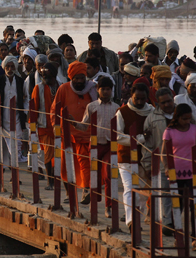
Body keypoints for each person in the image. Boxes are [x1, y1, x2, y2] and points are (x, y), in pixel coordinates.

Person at [70, 76, 119, 216]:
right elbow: (84, 126)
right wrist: (74, 123)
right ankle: (94, 201)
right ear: (97, 90)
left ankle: (108, 206)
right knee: (95, 175)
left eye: (108, 89)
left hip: (110, 146)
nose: (105, 92)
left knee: (109, 173)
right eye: (102, 89)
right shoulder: (92, 106)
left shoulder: (116, 108)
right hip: (95, 145)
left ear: (112, 90)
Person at [52, 60, 97, 204]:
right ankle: (68, 193)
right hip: (67, 134)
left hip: (86, 134)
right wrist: (55, 126)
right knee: (65, 166)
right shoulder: (63, 89)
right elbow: (55, 109)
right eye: (76, 78)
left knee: (85, 164)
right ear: (71, 78)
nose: (79, 81)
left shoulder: (92, 89)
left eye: (82, 78)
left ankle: (85, 190)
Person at [116, 83, 154, 227]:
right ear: (131, 96)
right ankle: (132, 220)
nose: (139, 102)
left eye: (142, 99)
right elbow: (118, 136)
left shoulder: (152, 112)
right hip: (126, 157)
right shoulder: (122, 112)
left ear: (147, 98)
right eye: (136, 98)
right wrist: (141, 138)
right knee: (129, 187)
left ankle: (145, 215)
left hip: (146, 158)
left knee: (147, 191)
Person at [0, 55, 29, 169]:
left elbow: (27, 99)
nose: (10, 69)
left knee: (16, 145)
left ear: (15, 68)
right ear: (4, 68)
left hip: (17, 119)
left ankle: (13, 168)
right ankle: (2, 167)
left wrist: (25, 112)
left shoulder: (21, 82)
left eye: (12, 67)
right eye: (7, 67)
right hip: (0, 119)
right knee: (0, 145)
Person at [161, 103, 196, 246]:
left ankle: (195, 237)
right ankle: (178, 236)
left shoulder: (194, 129)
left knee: (194, 204)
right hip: (176, 173)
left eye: (189, 118)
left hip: (193, 173)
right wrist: (167, 167)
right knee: (178, 204)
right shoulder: (169, 131)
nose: (187, 121)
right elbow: (164, 153)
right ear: (178, 117)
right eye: (184, 119)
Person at [143, 87, 177, 233]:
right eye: (164, 103)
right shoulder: (152, 118)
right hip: (162, 164)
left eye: (169, 101)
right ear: (158, 103)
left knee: (181, 194)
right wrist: (148, 164)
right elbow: (148, 144)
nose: (167, 105)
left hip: (182, 163)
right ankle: (168, 224)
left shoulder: (182, 114)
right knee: (164, 194)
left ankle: (178, 221)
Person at [31, 62, 60, 190]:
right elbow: (34, 108)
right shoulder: (38, 88)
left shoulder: (61, 86)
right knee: (48, 154)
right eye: (43, 75)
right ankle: (50, 181)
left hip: (59, 127)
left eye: (47, 75)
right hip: (44, 126)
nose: (45, 78)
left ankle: (57, 179)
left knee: (59, 155)